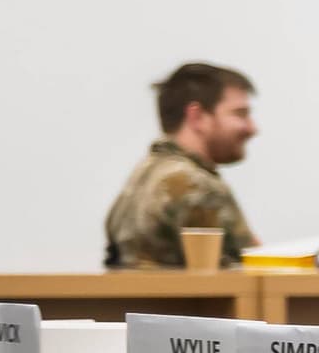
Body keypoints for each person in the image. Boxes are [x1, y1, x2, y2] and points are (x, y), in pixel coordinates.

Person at [103, 63, 260, 266]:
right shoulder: (194, 185)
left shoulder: (144, 175)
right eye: (240, 114)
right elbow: (251, 275)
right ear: (197, 116)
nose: (252, 128)